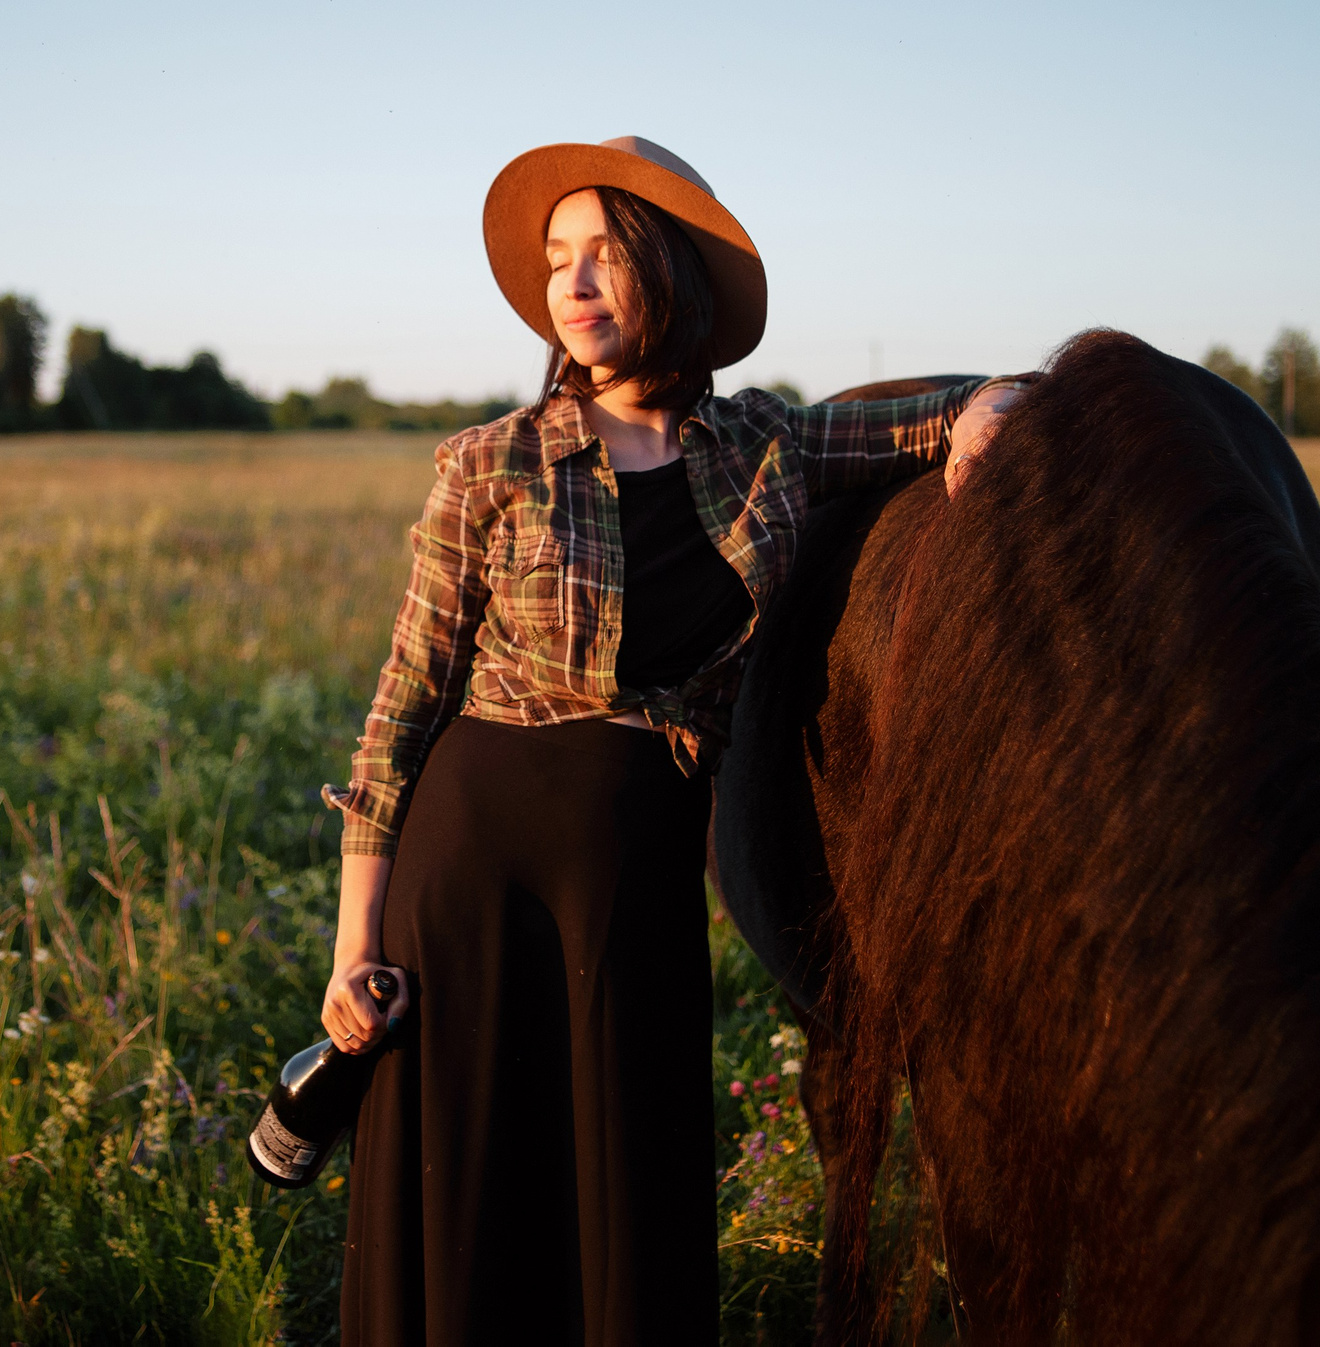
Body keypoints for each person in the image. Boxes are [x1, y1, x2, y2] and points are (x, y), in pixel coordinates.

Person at [321, 136, 1026, 1345]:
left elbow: (954, 409)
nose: (574, 284)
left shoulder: (764, 450)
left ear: (671, 277)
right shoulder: (490, 464)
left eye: (605, 254)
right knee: (471, 1185)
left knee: (624, 1188)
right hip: (470, 865)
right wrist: (353, 948)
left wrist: (990, 412)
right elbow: (402, 707)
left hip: (636, 878)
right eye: (557, 261)